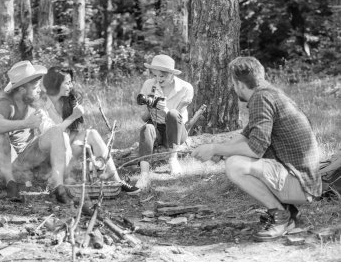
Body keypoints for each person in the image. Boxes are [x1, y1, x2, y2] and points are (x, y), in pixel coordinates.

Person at [192, 56, 321, 241]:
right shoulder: (267, 93)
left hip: (300, 184)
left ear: (239, 84)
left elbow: (255, 149)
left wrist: (214, 148)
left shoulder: (262, 98)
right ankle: (290, 215)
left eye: (233, 83)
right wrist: (219, 150)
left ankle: (281, 216)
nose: (233, 88)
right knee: (232, 157)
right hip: (301, 180)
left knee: (235, 165)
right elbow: (245, 136)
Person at [0, 60, 76, 204]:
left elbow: (49, 129)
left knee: (58, 133)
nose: (39, 90)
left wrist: (63, 141)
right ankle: (11, 184)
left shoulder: (33, 101)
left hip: (31, 161)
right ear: (22, 89)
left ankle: (58, 187)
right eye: (35, 87)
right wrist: (25, 123)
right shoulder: (6, 103)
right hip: (12, 164)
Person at [41, 66, 140, 195]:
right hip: (49, 156)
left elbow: (73, 133)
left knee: (91, 133)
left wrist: (84, 145)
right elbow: (51, 133)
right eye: (67, 82)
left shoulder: (67, 101)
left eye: (71, 82)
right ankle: (59, 182)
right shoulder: (42, 104)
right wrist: (73, 117)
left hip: (67, 150)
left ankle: (117, 181)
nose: (71, 86)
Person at [135, 54, 194, 190]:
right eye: (155, 75)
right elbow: (143, 118)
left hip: (177, 130)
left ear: (171, 74)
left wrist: (165, 109)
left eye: (162, 76)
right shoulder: (149, 85)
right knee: (146, 128)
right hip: (157, 127)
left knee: (172, 113)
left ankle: (173, 159)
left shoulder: (186, 88)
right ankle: (144, 174)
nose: (158, 79)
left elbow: (179, 117)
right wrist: (151, 106)